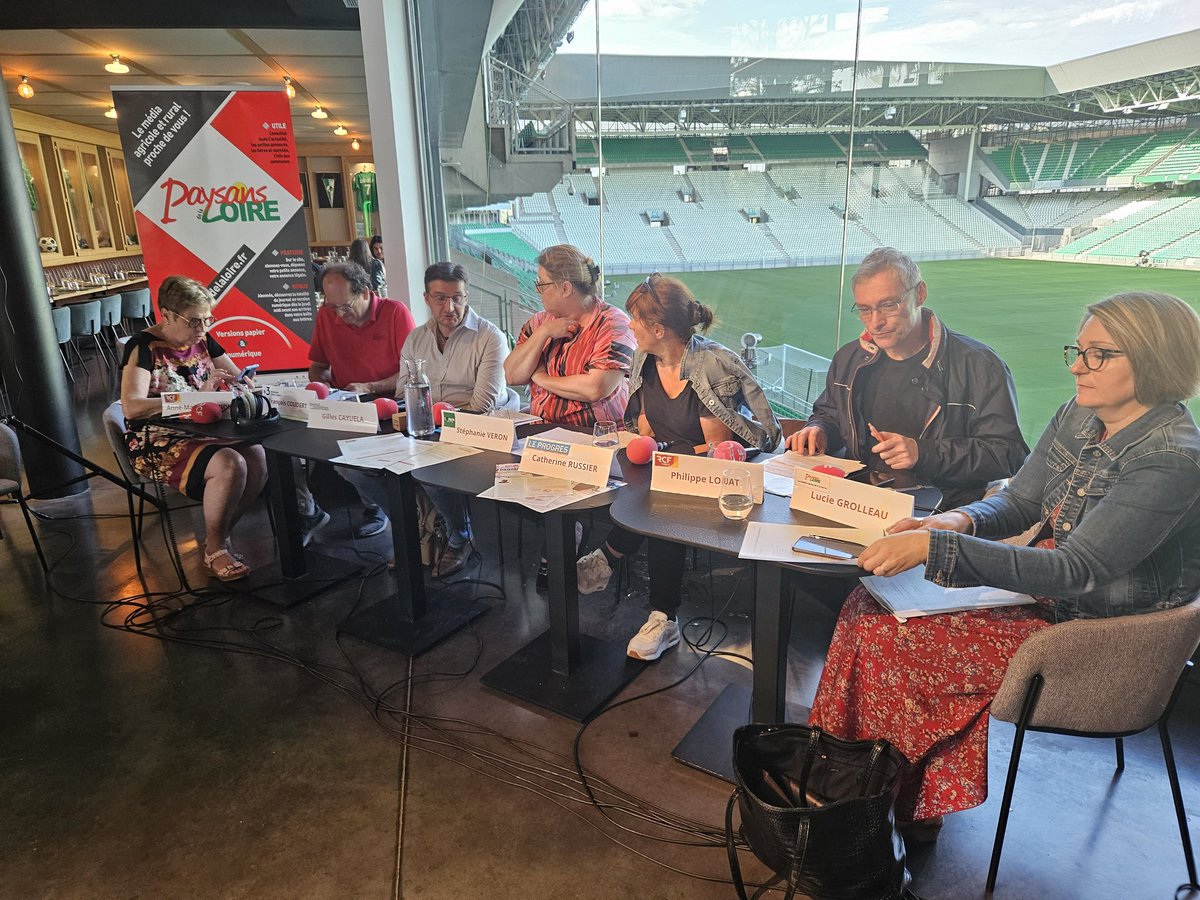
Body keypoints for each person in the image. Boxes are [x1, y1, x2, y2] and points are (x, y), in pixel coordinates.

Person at [810, 290, 1200, 841]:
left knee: (899, 641)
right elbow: (1020, 502)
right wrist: (958, 523)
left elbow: (1076, 571)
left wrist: (937, 550)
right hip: (1049, 592)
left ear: (1154, 360)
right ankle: (851, 783)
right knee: (867, 606)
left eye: (1097, 355)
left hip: (1098, 631)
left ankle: (896, 810)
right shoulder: (1078, 415)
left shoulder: (1172, 458)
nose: (1075, 367)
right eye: (1078, 350)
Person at [576, 274, 782, 659]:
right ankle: (621, 574)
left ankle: (655, 609)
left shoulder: (711, 365)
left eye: (636, 319)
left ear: (658, 328)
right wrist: (661, 457)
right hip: (670, 469)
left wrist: (669, 460)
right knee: (644, 492)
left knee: (661, 508)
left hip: (714, 480)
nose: (629, 324)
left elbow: (716, 447)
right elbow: (648, 434)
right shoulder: (645, 360)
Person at [786, 247, 1027, 509]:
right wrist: (819, 430)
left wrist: (922, 453)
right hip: (857, 505)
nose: (875, 322)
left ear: (920, 293)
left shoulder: (980, 365)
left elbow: (1008, 454)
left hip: (942, 514)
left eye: (888, 305)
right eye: (865, 310)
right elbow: (831, 414)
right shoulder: (849, 358)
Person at [356, 262, 510, 577]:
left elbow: (481, 405)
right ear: (427, 298)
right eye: (440, 298)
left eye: (457, 298)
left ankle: (459, 537)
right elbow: (403, 392)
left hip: (470, 435)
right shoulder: (416, 338)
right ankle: (408, 528)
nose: (449, 307)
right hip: (423, 430)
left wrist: (432, 411)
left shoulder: (490, 337)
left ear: (467, 297)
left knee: (427, 469)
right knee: (352, 468)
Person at [118, 275, 269, 581]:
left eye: (207, 320)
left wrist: (239, 382)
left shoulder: (202, 338)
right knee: (230, 463)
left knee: (257, 456)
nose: (202, 329)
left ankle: (219, 536)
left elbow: (239, 378)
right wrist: (194, 398)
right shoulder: (143, 347)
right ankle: (215, 548)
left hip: (201, 429)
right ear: (168, 315)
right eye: (194, 321)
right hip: (155, 437)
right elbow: (132, 407)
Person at [302, 260, 416, 541]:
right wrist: (321, 382)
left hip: (392, 405)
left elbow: (411, 369)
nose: (339, 315)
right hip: (345, 406)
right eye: (332, 307)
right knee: (312, 455)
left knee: (354, 462)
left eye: (345, 306)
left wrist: (371, 386)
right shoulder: (326, 316)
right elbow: (318, 365)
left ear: (365, 292)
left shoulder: (395, 313)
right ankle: (310, 513)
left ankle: (394, 516)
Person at [504, 244, 635, 429]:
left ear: (565, 289)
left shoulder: (613, 324)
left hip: (596, 435)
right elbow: (512, 374)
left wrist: (541, 378)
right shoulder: (539, 322)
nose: (538, 290)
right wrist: (543, 333)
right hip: (542, 432)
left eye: (541, 284)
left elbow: (595, 388)